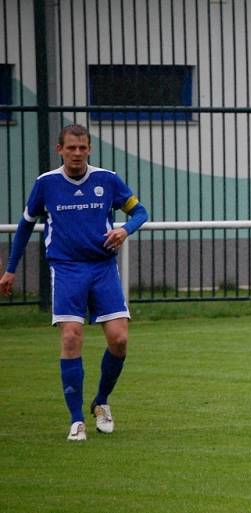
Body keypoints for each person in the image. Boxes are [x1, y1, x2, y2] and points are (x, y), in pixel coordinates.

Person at [0, 124, 148, 442]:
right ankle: (76, 419)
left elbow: (140, 211)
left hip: (103, 268)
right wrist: (10, 269)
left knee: (120, 340)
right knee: (71, 337)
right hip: (66, 269)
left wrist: (126, 229)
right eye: (71, 148)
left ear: (90, 149)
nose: (77, 153)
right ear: (60, 150)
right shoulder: (46, 184)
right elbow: (26, 225)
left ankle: (101, 401)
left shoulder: (107, 179)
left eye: (82, 148)